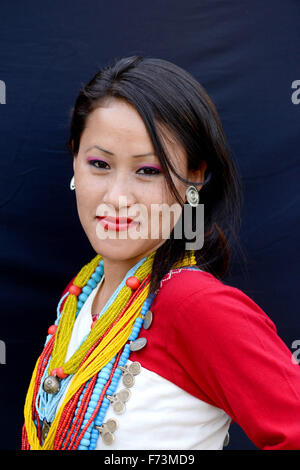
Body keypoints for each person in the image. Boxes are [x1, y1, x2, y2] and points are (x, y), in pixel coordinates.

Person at [22, 56, 300, 450]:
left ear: (196, 177)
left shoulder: (198, 307)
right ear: (74, 161)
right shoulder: (81, 294)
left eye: (148, 171)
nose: (117, 197)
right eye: (99, 164)